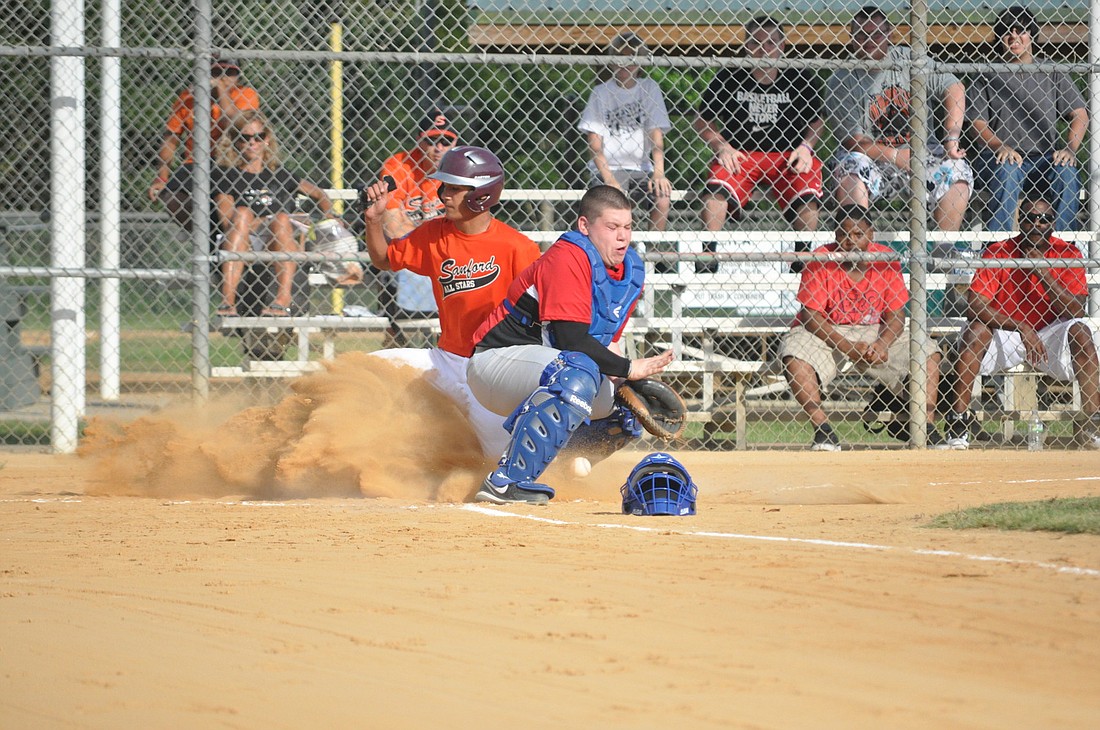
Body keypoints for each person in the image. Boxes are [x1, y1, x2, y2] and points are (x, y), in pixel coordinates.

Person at [466, 185, 675, 504]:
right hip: (496, 364)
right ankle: (507, 481)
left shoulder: (629, 271)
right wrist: (630, 369)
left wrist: (624, 380)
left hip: (552, 368)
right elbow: (570, 339)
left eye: (628, 227)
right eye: (611, 227)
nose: (622, 237)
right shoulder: (568, 257)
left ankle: (560, 467)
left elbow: (608, 341)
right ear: (584, 226)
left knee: (625, 406)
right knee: (579, 370)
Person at [361, 145, 542, 458]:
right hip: (445, 362)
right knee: (363, 370)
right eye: (444, 187)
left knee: (504, 463)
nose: (443, 194)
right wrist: (373, 221)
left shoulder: (518, 248)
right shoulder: (433, 234)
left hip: (492, 372)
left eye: (455, 189)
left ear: (482, 194)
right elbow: (382, 260)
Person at [779, 205, 947, 451]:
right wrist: (847, 347)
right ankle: (823, 431)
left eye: (859, 234)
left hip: (876, 329)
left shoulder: (885, 258)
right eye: (844, 235)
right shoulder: (821, 258)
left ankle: (926, 428)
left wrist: (883, 344)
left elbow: (897, 315)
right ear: (835, 235)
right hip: (828, 330)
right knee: (793, 352)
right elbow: (811, 317)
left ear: (871, 235)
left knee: (928, 351)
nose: (851, 241)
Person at [944, 197, 1100, 450]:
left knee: (1081, 331)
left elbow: (1075, 309)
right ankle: (958, 424)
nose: (1037, 224)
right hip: (1010, 332)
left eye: (1044, 219)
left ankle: (1093, 425)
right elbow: (975, 305)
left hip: (1051, 334)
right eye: (1030, 218)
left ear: (1053, 223)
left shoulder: (1067, 252)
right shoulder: (998, 250)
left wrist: (1041, 269)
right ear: (1020, 221)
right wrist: (1020, 326)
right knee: (976, 329)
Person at [693, 15, 824, 271]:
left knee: (807, 193)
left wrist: (807, 147)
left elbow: (817, 120)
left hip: (787, 155)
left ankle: (802, 257)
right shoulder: (730, 74)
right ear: (746, 46)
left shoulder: (799, 75)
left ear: (782, 46)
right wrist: (721, 145)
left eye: (771, 43)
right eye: (755, 43)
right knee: (715, 193)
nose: (763, 49)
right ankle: (708, 255)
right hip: (741, 154)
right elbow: (702, 119)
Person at [826, 6, 972, 234]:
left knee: (958, 170)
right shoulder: (842, 78)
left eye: (876, 34)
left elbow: (954, 87)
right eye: (862, 35)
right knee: (850, 165)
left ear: (890, 35)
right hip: (874, 159)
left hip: (923, 154)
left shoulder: (907, 59)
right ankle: (857, 250)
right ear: (852, 38)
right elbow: (853, 141)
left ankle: (943, 253)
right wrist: (896, 156)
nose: (869, 40)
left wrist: (952, 138)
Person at [968, 6, 1088, 232]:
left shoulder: (1051, 70)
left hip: (1043, 158)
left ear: (1031, 34)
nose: (1014, 36)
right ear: (999, 37)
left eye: (1020, 30)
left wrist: (1070, 148)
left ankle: (1062, 248)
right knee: (1008, 168)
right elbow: (977, 123)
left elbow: (1080, 114)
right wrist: (1000, 146)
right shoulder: (986, 72)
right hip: (996, 158)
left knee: (1067, 171)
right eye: (1006, 31)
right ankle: (999, 250)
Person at [212, 111, 334, 317]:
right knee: (242, 213)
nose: (252, 143)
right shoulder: (227, 175)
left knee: (281, 218)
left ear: (267, 140)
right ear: (235, 141)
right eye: (245, 138)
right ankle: (227, 301)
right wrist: (258, 220)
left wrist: (330, 216)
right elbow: (226, 221)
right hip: (244, 240)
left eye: (258, 137)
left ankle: (282, 299)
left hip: (278, 238)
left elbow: (319, 194)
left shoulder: (280, 173)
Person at [148, 56, 260, 232]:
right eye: (216, 72)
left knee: (224, 193)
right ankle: (206, 236)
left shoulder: (245, 94)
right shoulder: (188, 98)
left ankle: (230, 237)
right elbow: (171, 137)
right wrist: (162, 177)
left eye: (228, 73)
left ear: (238, 76)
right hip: (196, 162)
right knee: (171, 197)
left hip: (234, 161)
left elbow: (234, 124)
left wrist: (220, 89)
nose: (222, 77)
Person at [375, 111, 457, 346]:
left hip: (446, 254)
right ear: (419, 141)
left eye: (445, 140)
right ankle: (396, 342)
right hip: (409, 253)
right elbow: (392, 225)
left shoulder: (459, 169)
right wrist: (435, 240)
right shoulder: (399, 165)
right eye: (431, 141)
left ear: (455, 142)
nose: (438, 147)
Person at [577, 32, 673, 232]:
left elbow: (656, 134)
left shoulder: (648, 88)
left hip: (641, 168)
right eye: (620, 58)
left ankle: (654, 252)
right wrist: (610, 179)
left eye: (632, 58)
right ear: (612, 61)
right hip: (608, 168)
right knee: (613, 206)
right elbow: (594, 145)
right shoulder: (601, 92)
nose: (625, 64)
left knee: (662, 199)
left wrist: (659, 171)